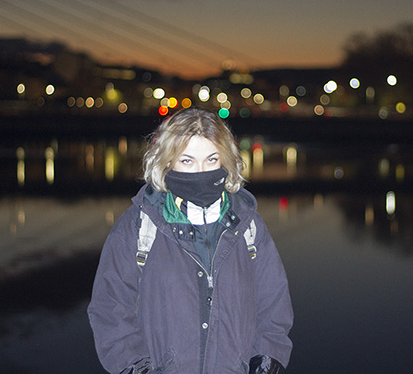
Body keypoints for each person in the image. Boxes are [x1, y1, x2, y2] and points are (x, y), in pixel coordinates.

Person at [88, 107, 293, 374]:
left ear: (226, 160)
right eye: (187, 161)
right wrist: (136, 367)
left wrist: (267, 359)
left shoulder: (248, 226)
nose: (200, 171)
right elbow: (110, 309)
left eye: (211, 159)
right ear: (166, 162)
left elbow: (274, 304)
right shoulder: (137, 227)